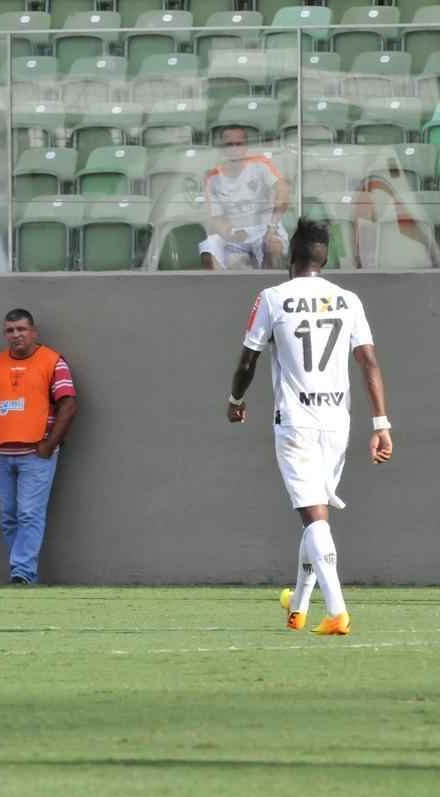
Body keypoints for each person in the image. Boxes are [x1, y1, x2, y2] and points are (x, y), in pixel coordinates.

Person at [226, 218, 393, 636]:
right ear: (324, 258)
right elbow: (369, 362)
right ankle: (298, 607)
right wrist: (381, 424)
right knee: (315, 515)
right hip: (337, 421)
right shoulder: (348, 300)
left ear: (292, 255)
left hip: (296, 421)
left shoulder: (272, 298)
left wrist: (236, 400)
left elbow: (248, 361)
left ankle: (336, 610)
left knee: (315, 517)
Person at [0, 308, 77, 585]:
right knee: (8, 518)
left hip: (36, 455)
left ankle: (22, 573)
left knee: (29, 514)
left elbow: (68, 405)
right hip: (0, 455)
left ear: (33, 332)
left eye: (22, 329)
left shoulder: (53, 361)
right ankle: (20, 573)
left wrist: (50, 443)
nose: (16, 335)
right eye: (10, 330)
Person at [199, 126, 292, 270]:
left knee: (274, 245)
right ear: (222, 148)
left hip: (265, 228)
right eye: (229, 145)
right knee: (208, 246)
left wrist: (272, 227)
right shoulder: (212, 178)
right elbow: (216, 219)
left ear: (246, 147)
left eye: (239, 144)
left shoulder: (261, 164)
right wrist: (230, 234)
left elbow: (283, 190)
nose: (234, 148)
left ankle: (271, 282)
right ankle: (216, 284)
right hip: (234, 232)